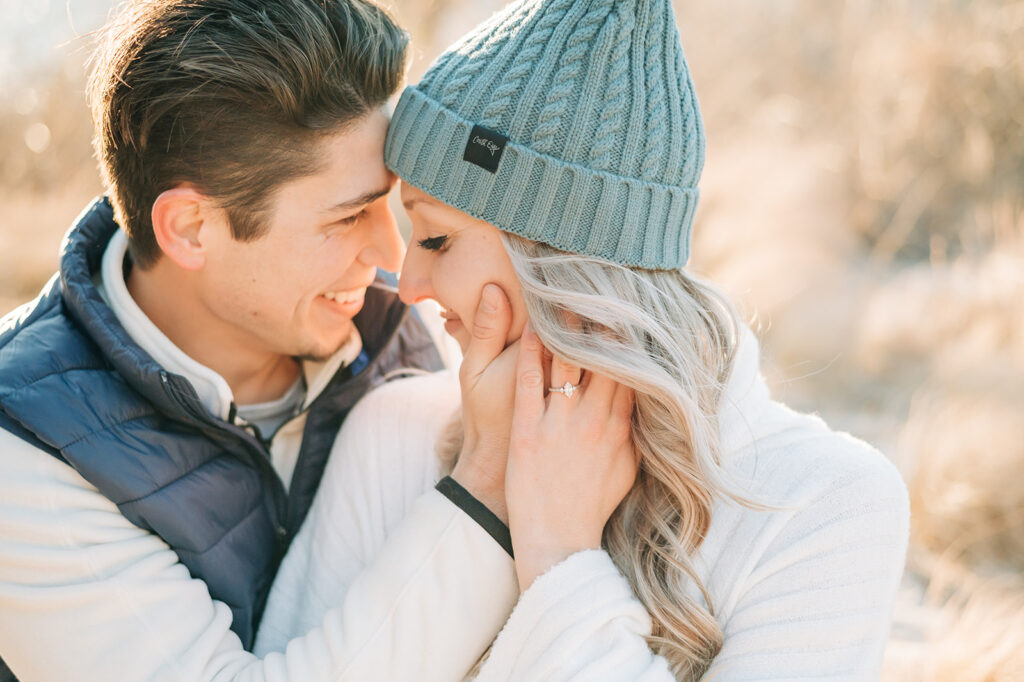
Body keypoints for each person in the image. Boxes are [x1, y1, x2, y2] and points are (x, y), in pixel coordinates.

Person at [259, 0, 912, 679]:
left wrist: (561, 558)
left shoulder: (826, 504)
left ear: (564, 258)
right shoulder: (391, 436)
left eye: (436, 238)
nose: (410, 285)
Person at [0, 1, 534, 680]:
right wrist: (483, 482)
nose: (391, 252)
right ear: (191, 228)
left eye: (390, 204)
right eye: (347, 218)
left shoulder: (405, 321)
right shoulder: (24, 452)